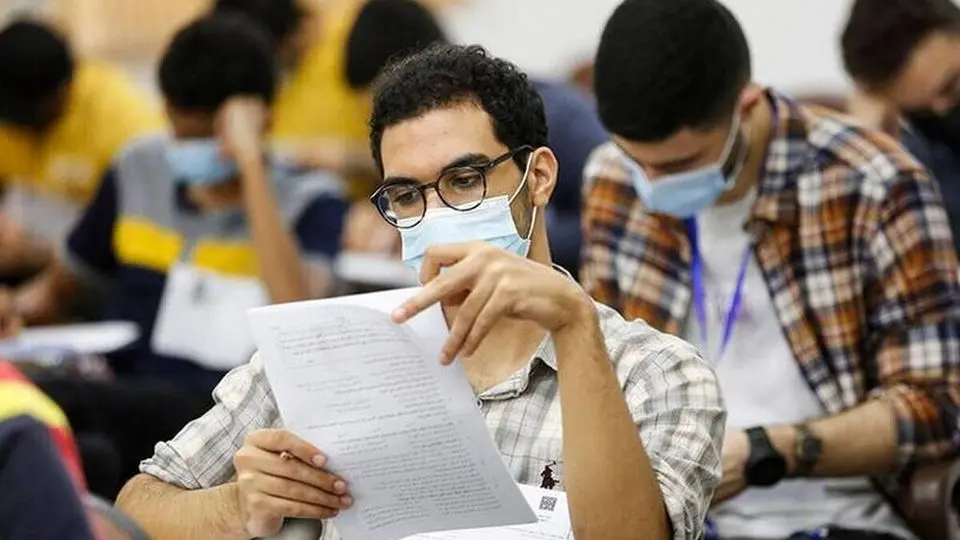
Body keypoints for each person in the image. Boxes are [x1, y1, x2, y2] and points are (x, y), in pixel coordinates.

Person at [114, 44, 725, 540]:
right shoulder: (331, 351)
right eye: (406, 195)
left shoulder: (656, 373)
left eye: (464, 180)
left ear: (537, 177)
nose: (435, 215)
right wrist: (239, 505)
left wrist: (573, 328)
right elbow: (137, 508)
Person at [583, 0, 960, 539]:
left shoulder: (873, 184)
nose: (653, 185)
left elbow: (935, 405)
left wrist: (767, 450)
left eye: (678, 167)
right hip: (672, 515)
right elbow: (607, 373)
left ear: (747, 101)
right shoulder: (612, 180)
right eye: (636, 160)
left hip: (834, 516)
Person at [1, 13, 348, 487]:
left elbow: (295, 314)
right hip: (119, 387)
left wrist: (250, 168)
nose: (183, 148)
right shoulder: (137, 166)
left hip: (218, 408)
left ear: (258, 119)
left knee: (52, 402)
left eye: (203, 137)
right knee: (87, 455)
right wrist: (15, 310)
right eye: (176, 130)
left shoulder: (309, 200)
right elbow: (65, 285)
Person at [220, 0, 609, 274]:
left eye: (465, 180)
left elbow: (612, 223)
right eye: (406, 195)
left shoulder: (559, 116)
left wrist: (511, 226)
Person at [0, 19, 163, 283]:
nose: (14, 127)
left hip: (100, 263)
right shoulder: (10, 113)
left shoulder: (124, 126)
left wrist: (45, 254)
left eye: (25, 115)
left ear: (63, 90)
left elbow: (141, 236)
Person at [842, 0, 960, 252]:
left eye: (952, 86)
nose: (942, 110)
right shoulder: (922, 151)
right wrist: (865, 140)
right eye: (919, 109)